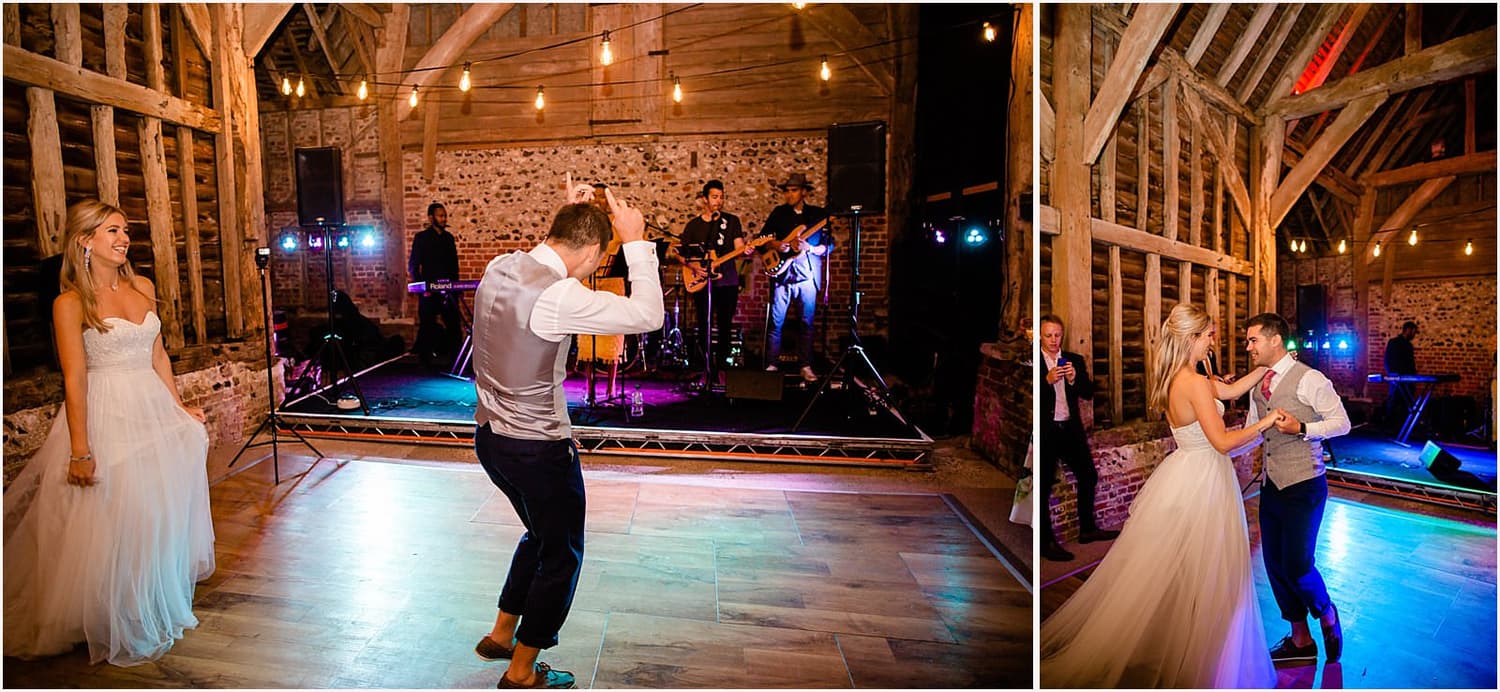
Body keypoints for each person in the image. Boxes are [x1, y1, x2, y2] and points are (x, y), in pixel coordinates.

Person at [3, 199, 216, 666]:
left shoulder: (143, 286)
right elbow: (74, 378)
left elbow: (157, 354)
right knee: (114, 512)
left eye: (125, 231)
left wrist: (178, 406)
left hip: (150, 407)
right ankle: (104, 609)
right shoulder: (69, 303)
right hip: (107, 411)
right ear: (85, 241)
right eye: (113, 231)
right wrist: (80, 449)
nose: (124, 239)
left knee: (150, 510)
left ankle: (140, 597)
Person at [469, 185, 662, 689]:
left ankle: (501, 635)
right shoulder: (560, 296)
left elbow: (549, 257)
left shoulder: (499, 266)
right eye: (599, 258)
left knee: (540, 536)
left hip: (490, 440)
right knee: (562, 555)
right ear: (595, 251)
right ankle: (522, 672)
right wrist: (635, 242)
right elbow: (649, 315)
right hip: (537, 450)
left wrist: (575, 210)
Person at [1042, 303, 1280, 688]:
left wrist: (1269, 366)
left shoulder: (1178, 377)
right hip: (1203, 479)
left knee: (1187, 569)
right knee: (1209, 571)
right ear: (1191, 338)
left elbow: (1231, 389)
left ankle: (1186, 646)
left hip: (1186, 473)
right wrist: (1267, 421)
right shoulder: (1195, 383)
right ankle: (1203, 660)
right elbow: (1222, 442)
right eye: (1208, 336)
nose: (1212, 343)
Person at [1244, 312, 1351, 665]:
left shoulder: (1310, 378)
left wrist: (1303, 428)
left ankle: (1326, 610)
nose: (1248, 347)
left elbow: (1342, 423)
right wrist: (1217, 449)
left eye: (1253, 340)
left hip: (1305, 485)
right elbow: (1253, 431)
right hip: (1271, 485)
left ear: (1275, 339)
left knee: (1298, 563)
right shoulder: (1258, 385)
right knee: (1274, 564)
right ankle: (1300, 640)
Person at [1037, 315, 1119, 562]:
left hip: (1070, 428)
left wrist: (1074, 379)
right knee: (1042, 485)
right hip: (1046, 431)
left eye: (1057, 335)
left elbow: (1088, 393)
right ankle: (1045, 542)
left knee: (1088, 475)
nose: (1054, 340)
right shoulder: (1036, 361)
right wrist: (1046, 381)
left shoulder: (1073, 359)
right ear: (1040, 336)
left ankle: (1087, 529)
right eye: (1048, 335)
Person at [669, 180, 751, 373]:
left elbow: (739, 247)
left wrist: (746, 250)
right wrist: (693, 267)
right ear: (705, 199)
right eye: (715, 197)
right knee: (703, 322)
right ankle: (703, 365)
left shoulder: (731, 221)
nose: (719, 201)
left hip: (727, 281)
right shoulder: (694, 225)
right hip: (702, 281)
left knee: (725, 324)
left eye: (721, 197)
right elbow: (678, 252)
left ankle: (722, 367)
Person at [758, 173, 831, 383]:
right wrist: (776, 245)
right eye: (787, 191)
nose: (789, 194)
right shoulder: (779, 213)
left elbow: (829, 245)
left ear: (804, 192)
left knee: (807, 323)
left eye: (794, 190)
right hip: (783, 275)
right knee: (776, 322)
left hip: (807, 276)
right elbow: (762, 239)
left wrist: (812, 248)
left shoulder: (817, 215)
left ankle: (805, 365)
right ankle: (772, 364)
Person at [409, 201, 463, 368]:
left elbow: (454, 265)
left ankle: (456, 361)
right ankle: (425, 363)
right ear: (431, 218)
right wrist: (422, 288)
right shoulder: (422, 238)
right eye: (440, 216)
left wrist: (456, 287)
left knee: (454, 325)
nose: (443, 219)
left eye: (445, 216)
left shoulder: (448, 238)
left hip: (448, 289)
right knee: (427, 325)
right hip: (429, 290)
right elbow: (413, 265)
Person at [1382, 320, 1418, 428]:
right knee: (1395, 401)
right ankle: (1391, 425)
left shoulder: (1403, 344)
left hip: (1404, 378)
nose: (1414, 335)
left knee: (1401, 402)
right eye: (1413, 332)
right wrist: (1392, 375)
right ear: (1408, 330)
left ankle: (1397, 425)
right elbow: (1388, 360)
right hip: (1399, 378)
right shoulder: (1397, 343)